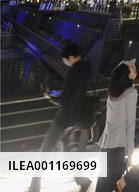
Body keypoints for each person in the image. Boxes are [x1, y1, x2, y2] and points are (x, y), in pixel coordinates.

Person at [29, 43, 93, 192]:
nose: (64, 62)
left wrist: (49, 96)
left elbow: (64, 100)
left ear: (70, 57)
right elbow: (73, 93)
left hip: (63, 119)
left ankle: (34, 188)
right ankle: (82, 180)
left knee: (44, 152)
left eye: (64, 59)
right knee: (65, 148)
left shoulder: (74, 71)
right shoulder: (86, 68)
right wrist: (59, 94)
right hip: (76, 118)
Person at [96, 60, 138, 192]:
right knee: (115, 186)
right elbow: (130, 126)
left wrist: (130, 77)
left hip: (105, 145)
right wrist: (130, 155)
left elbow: (118, 70)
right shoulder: (131, 93)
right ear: (127, 75)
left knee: (102, 185)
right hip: (118, 148)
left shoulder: (112, 93)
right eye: (132, 68)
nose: (135, 69)